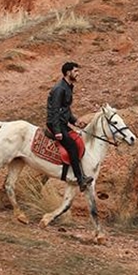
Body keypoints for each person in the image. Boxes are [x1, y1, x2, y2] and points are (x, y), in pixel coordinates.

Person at [47, 61, 92, 192]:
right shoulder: (59, 89)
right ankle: (80, 179)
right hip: (55, 123)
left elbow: (65, 109)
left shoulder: (68, 87)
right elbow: (55, 111)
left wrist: (75, 121)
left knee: (77, 140)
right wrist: (57, 130)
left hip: (62, 123)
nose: (78, 74)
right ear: (68, 73)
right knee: (72, 146)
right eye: (75, 71)